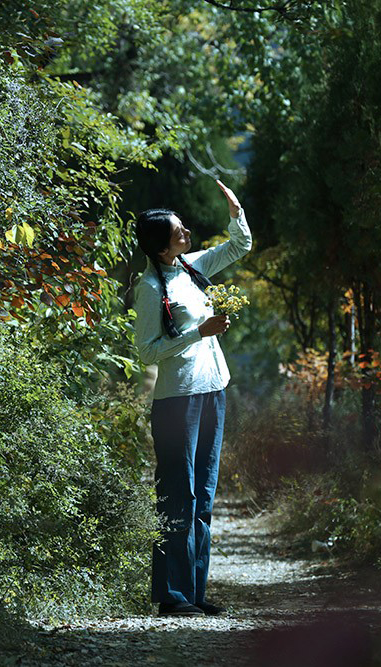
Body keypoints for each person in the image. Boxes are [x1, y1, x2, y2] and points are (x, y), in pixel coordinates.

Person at [132, 179, 252, 617]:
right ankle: (172, 596)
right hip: (176, 401)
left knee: (203, 491)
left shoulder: (191, 268)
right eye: (179, 231)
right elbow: (147, 351)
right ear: (162, 247)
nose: (187, 233)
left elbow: (239, 246)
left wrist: (235, 210)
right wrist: (196, 332)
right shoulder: (149, 289)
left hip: (213, 389)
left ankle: (195, 593)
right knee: (177, 495)